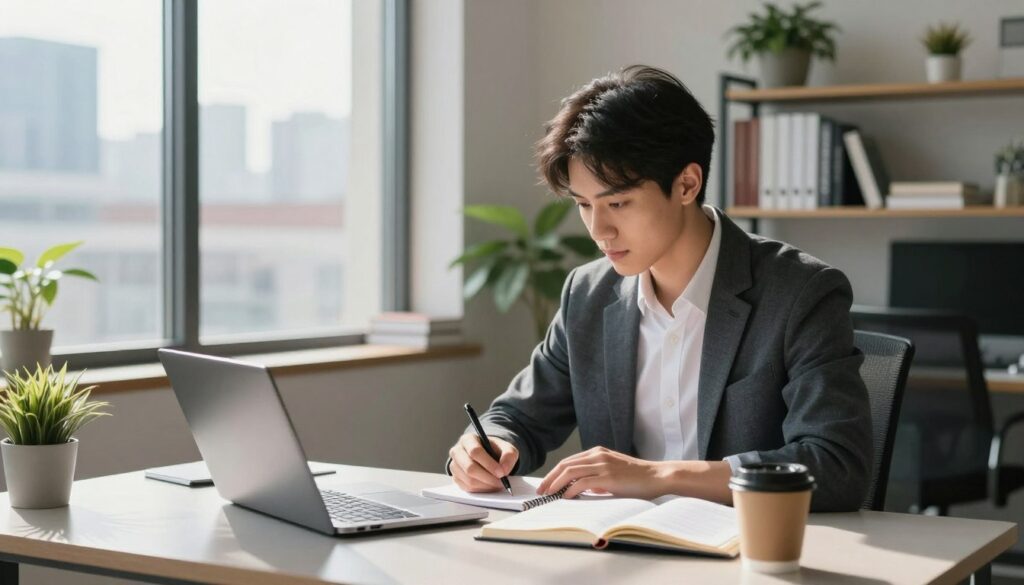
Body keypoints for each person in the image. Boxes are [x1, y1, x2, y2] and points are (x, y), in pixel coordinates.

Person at [445, 65, 872, 512]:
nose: (598, 230)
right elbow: (516, 418)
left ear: (687, 184)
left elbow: (836, 465)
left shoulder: (801, 293)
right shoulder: (587, 294)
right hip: (618, 555)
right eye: (583, 205)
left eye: (618, 203)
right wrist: (488, 444)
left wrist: (657, 475)